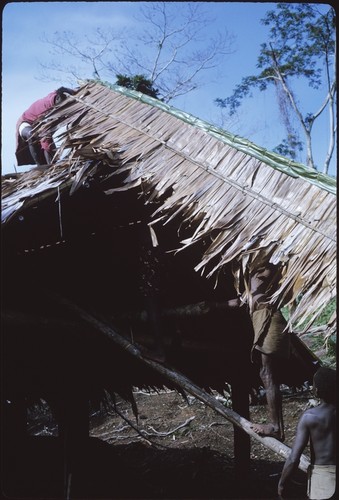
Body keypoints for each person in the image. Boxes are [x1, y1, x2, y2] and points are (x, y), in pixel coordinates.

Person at [225, 262, 291, 441]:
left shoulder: (264, 266)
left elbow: (271, 271)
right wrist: (215, 305)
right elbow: (241, 302)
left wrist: (259, 268)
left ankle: (276, 427)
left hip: (269, 318)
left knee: (268, 374)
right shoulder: (250, 278)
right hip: (262, 319)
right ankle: (277, 427)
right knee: (266, 373)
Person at [277, 366, 336, 499]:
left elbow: (293, 458)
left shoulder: (310, 417)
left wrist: (282, 483)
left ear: (317, 391)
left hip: (323, 479)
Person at [15, 86, 75, 167]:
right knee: (31, 135)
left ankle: (49, 164)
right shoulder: (47, 111)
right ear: (57, 99)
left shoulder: (61, 94)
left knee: (45, 141)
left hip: (40, 127)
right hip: (26, 122)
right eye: (62, 102)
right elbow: (45, 138)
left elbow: (69, 91)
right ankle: (41, 166)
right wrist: (51, 164)